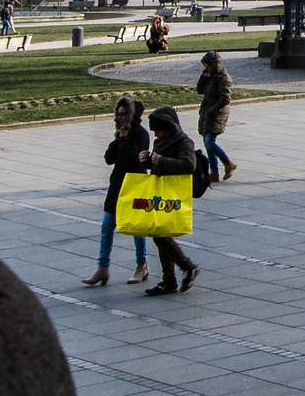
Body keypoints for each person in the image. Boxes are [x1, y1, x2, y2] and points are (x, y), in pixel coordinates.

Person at [82, 97, 150, 287]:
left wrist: (125, 139)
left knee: (136, 228)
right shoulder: (121, 134)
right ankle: (103, 268)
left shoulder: (141, 134)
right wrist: (117, 140)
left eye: (123, 114)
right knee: (107, 225)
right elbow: (109, 158)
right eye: (118, 114)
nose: (120, 118)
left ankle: (141, 265)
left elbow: (134, 159)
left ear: (131, 115)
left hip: (134, 185)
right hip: (116, 187)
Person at [137, 105, 200, 295]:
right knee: (159, 234)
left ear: (169, 127)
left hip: (172, 196)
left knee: (160, 234)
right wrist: (147, 160)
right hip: (160, 194)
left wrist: (160, 161)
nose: (156, 134)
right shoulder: (161, 142)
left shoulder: (183, 142)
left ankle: (187, 267)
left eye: (159, 130)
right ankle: (169, 280)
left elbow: (189, 165)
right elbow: (158, 161)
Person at [196, 51, 237, 183]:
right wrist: (203, 76)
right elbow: (199, 90)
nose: (206, 68)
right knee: (207, 143)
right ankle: (214, 172)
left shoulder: (223, 78)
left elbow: (225, 98)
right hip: (207, 112)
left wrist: (212, 111)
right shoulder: (210, 76)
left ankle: (228, 163)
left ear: (215, 65)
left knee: (209, 142)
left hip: (217, 113)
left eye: (208, 65)